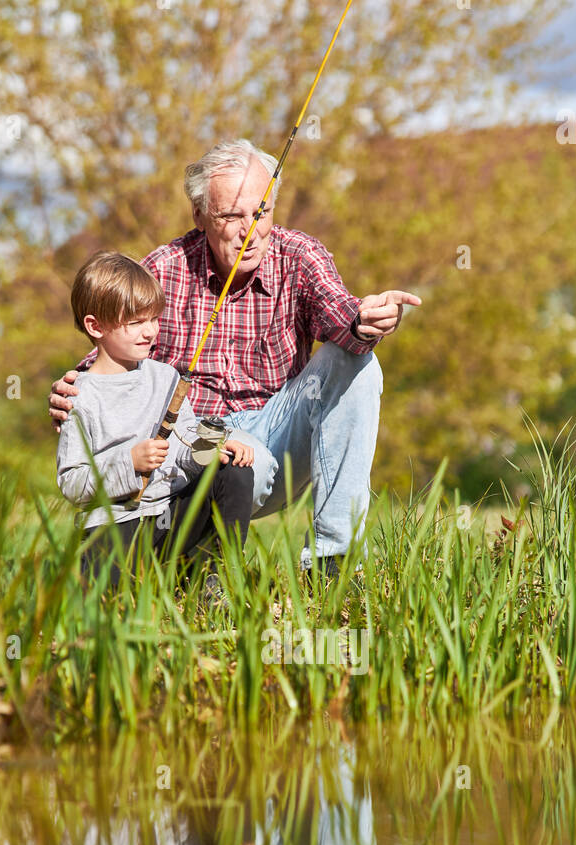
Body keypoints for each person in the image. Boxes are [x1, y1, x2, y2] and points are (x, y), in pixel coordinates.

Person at [50, 139, 421, 575]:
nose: (250, 229)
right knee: (224, 459)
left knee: (356, 362)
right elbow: (112, 338)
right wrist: (74, 387)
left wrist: (365, 321)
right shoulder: (167, 266)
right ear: (200, 215)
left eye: (260, 212)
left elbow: (340, 313)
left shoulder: (299, 255)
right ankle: (205, 575)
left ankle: (334, 561)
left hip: (281, 435)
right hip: (200, 444)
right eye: (231, 216)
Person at [56, 249, 254, 597]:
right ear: (95, 326)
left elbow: (186, 445)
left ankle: (215, 577)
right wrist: (128, 463)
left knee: (233, 472)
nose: (150, 331)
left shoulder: (165, 378)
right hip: (114, 526)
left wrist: (215, 449)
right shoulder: (79, 397)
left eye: (153, 319)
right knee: (103, 602)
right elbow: (72, 483)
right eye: (135, 322)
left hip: (169, 515)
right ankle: (154, 576)